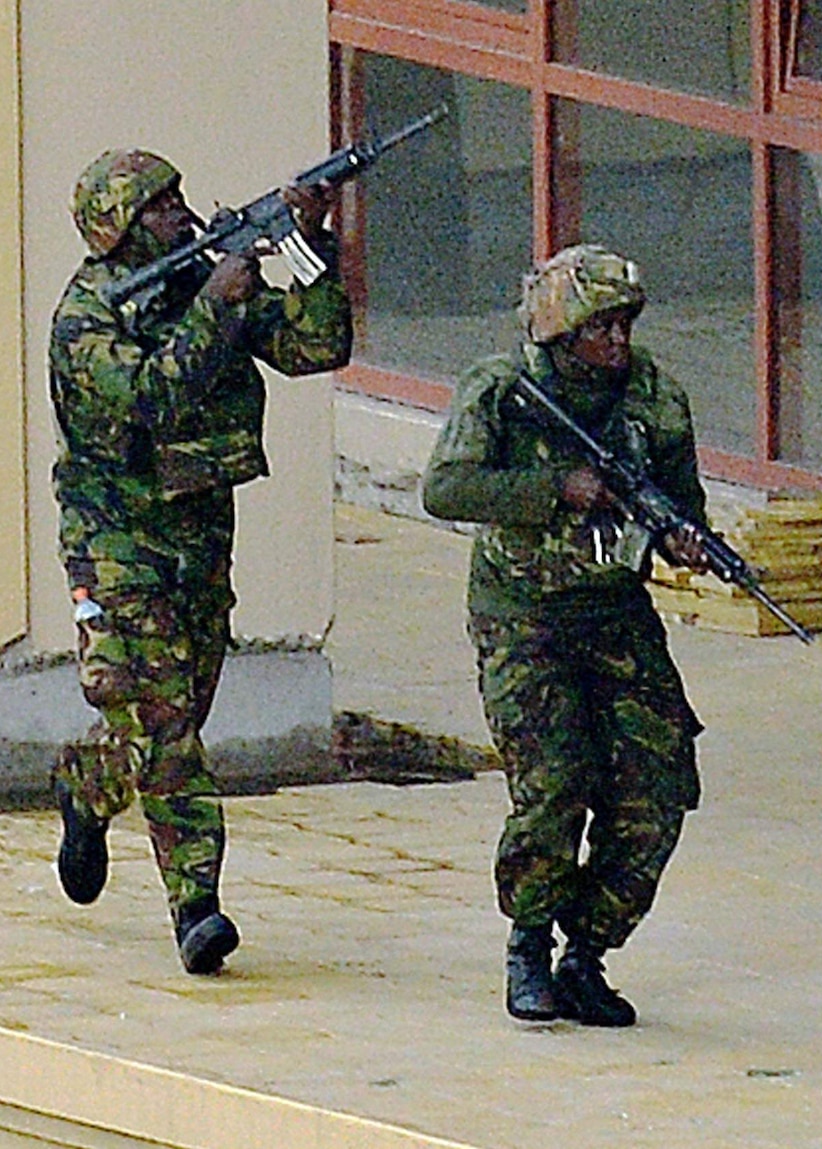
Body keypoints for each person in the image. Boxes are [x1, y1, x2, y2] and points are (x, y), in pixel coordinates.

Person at [49, 148, 352, 974]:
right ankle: (197, 906)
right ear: (116, 230)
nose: (180, 214)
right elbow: (152, 398)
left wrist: (309, 242)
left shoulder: (200, 281)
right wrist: (218, 303)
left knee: (180, 710)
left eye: (180, 197)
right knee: (167, 726)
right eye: (159, 207)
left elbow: (316, 346)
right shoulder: (88, 319)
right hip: (116, 540)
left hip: (197, 534)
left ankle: (87, 785)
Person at [422, 244, 708, 1026]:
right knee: (555, 782)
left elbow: (683, 500)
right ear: (559, 330)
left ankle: (588, 949)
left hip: (613, 611)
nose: (616, 343)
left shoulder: (654, 398)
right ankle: (528, 944)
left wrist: (685, 540)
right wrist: (556, 490)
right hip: (524, 614)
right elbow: (445, 488)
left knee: (658, 784)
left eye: (623, 325)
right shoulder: (504, 388)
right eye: (599, 327)